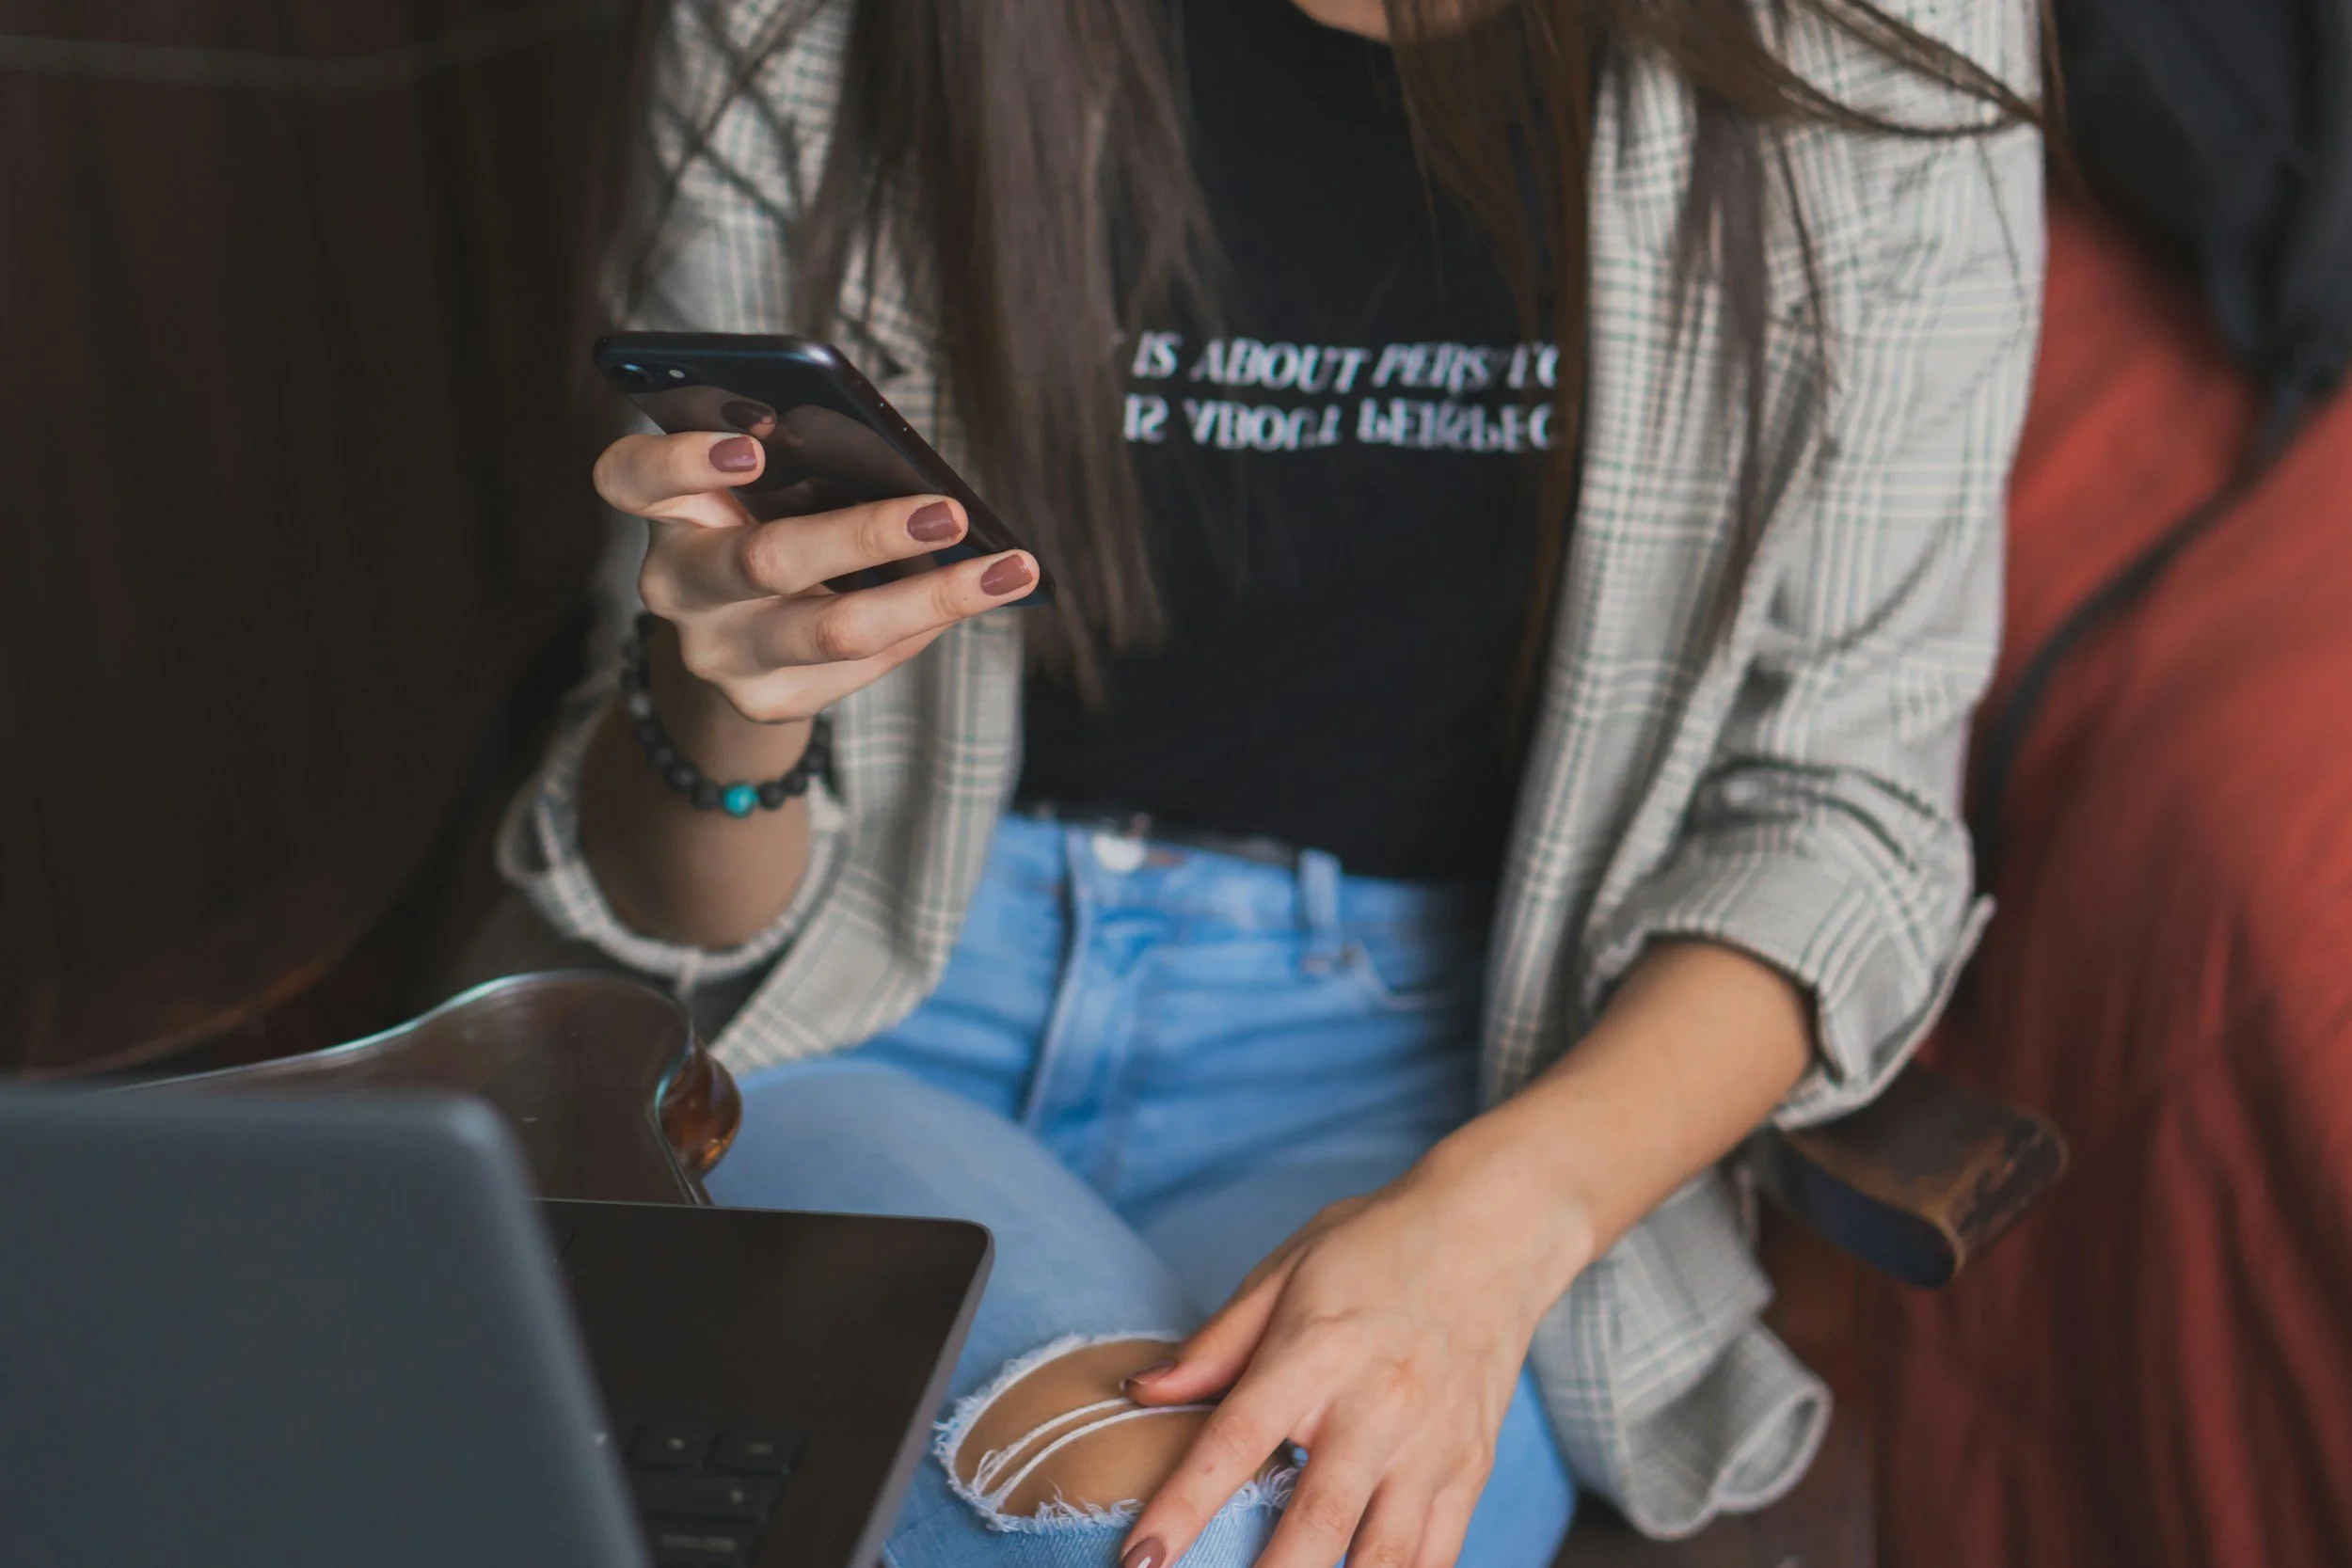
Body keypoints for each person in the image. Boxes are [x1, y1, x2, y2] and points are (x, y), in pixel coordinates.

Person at [496, 1, 2044, 1563]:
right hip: (873, 1010)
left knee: (1197, 1533)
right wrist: (729, 700)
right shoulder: (814, 26)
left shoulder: (1877, 37)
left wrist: (1503, 1221)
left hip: (1447, 1076)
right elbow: (674, 902)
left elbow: (1843, 806)